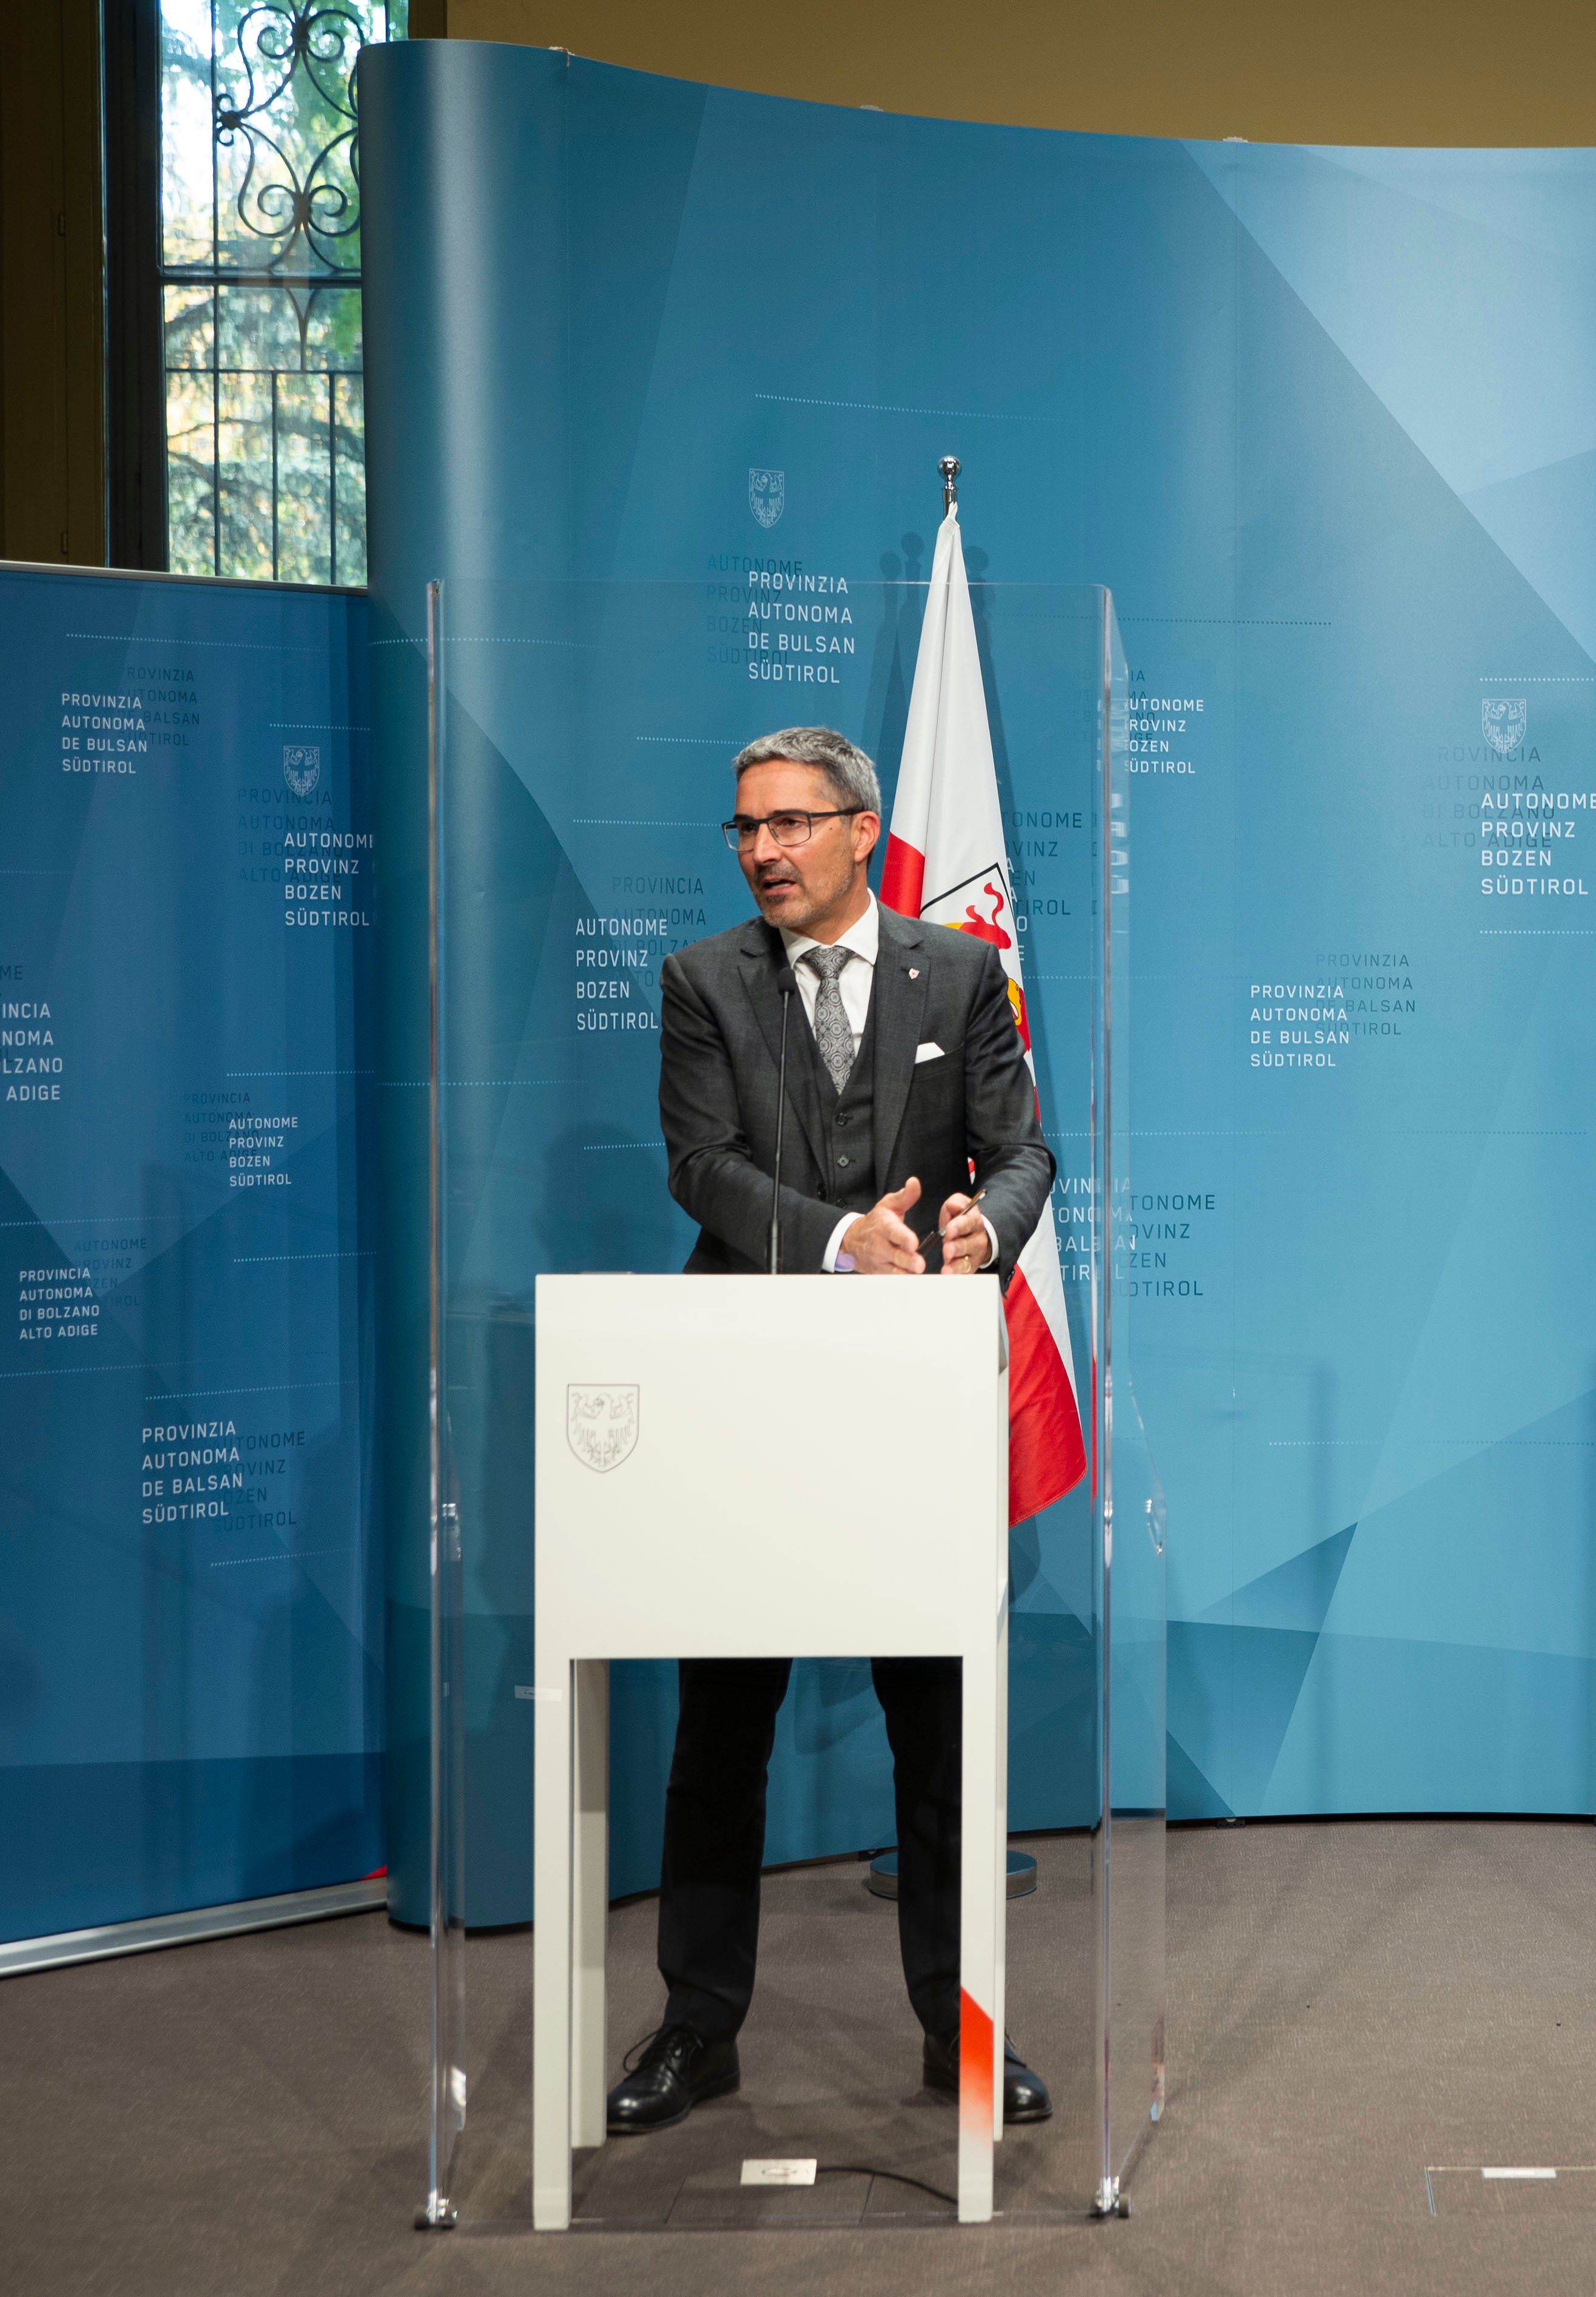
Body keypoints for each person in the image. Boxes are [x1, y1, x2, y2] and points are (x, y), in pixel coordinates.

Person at [606, 725, 1056, 2134]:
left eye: (792, 823)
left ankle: (961, 2026)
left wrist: (995, 1219)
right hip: (746, 1392)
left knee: (935, 1726)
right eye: (745, 828)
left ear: (863, 829)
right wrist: (836, 1243)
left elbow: (1025, 1147)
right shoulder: (700, 982)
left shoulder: (962, 969)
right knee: (721, 1725)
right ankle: (697, 2024)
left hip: (910, 1404)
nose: (763, 851)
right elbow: (701, 1167)